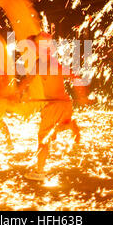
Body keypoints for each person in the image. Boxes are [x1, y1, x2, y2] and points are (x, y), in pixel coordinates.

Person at [18, 32, 85, 181]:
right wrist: (81, 96)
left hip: (54, 105)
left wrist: (16, 93)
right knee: (54, 130)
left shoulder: (46, 64)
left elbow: (26, 81)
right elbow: (75, 77)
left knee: (43, 139)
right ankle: (68, 125)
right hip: (64, 103)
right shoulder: (47, 63)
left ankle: (39, 172)